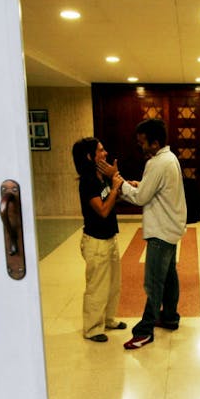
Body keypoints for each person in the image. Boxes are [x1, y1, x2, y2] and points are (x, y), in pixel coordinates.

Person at [112, 118, 187, 350]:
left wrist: (119, 183)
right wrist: (138, 184)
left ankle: (145, 331)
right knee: (169, 276)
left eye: (143, 142)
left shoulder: (156, 163)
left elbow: (141, 198)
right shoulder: (170, 158)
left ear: (155, 143)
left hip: (160, 231)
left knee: (154, 282)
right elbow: (153, 189)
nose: (141, 146)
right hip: (172, 227)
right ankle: (170, 317)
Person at [73, 137, 125, 342]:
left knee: (113, 283)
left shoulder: (101, 175)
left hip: (109, 237)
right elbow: (103, 210)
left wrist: (119, 184)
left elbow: (111, 200)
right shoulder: (87, 181)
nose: (105, 153)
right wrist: (114, 187)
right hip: (95, 242)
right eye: (100, 151)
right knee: (97, 287)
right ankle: (93, 328)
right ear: (89, 156)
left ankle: (108, 319)